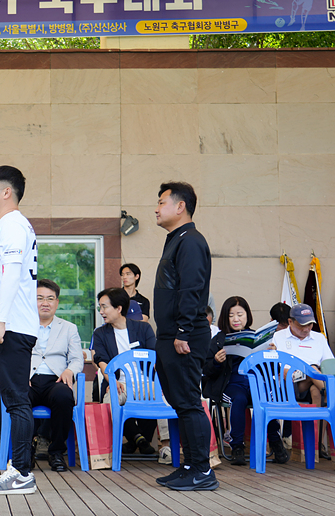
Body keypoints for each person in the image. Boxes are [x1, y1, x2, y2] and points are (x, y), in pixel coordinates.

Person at [0, 166, 38, 496]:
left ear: (6, 192)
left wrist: (0, 321)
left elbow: (13, 273)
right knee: (14, 400)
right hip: (8, 325)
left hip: (12, 327)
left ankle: (22, 473)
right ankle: (17, 470)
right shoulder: (9, 225)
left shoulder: (12, 224)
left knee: (17, 401)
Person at [152, 181, 216, 491]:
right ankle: (189, 464)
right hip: (169, 336)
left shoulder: (190, 241)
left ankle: (202, 470)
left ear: (180, 207)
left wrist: (182, 331)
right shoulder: (175, 239)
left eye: (162, 202)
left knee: (190, 402)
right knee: (180, 403)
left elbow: (192, 289)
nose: (156, 208)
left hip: (184, 336)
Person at [202, 297, 289, 466]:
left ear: (247, 316)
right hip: (231, 386)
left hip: (257, 384)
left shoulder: (258, 337)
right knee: (239, 399)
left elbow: (271, 370)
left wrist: (272, 355)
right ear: (225, 318)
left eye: (240, 314)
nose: (236, 319)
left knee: (266, 399)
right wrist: (216, 362)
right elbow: (205, 371)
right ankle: (237, 446)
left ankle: (276, 443)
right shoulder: (219, 339)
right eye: (231, 315)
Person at [91, 287, 158, 457]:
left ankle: (166, 446)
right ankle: (108, 451)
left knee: (165, 399)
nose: (101, 311)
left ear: (119, 308)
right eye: (100, 307)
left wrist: (160, 383)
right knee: (108, 403)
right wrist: (112, 380)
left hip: (145, 382)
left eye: (104, 307)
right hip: (119, 383)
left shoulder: (143, 328)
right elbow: (101, 361)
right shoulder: (100, 333)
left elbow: (154, 357)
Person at [27, 279, 83, 472]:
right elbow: (10, 356)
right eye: (40, 298)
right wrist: (19, 374)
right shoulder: (21, 325)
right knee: (20, 397)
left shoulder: (69, 328)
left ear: (57, 302)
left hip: (56, 379)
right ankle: (26, 451)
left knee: (64, 397)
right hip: (29, 380)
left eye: (50, 298)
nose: (45, 303)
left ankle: (56, 452)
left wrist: (70, 370)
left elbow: (77, 359)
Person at [270, 304, 335, 407]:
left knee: (316, 390)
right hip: (289, 383)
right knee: (311, 368)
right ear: (290, 322)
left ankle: (317, 422)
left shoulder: (319, 338)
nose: (306, 329)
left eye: (309, 325)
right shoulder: (279, 336)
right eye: (302, 325)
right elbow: (273, 365)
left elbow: (330, 364)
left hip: (314, 383)